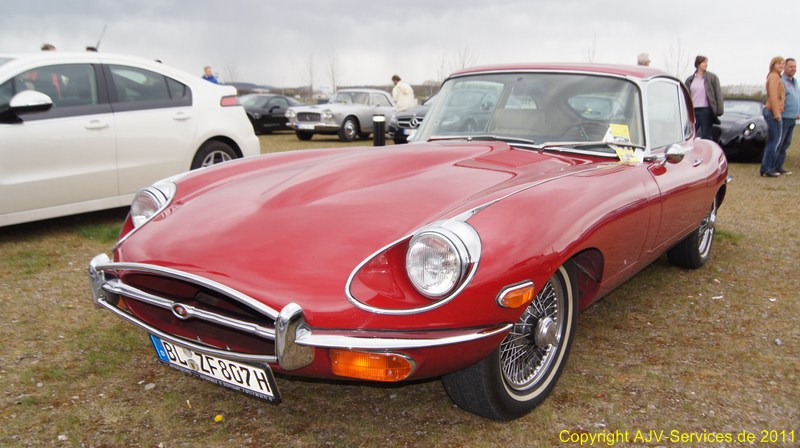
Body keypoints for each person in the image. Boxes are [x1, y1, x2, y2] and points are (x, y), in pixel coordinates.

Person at [684, 55, 724, 140]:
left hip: (706, 110)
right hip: (693, 111)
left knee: (706, 135)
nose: (706, 64)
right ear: (698, 64)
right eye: (704, 62)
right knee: (688, 134)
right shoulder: (690, 80)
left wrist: (719, 110)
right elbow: (685, 95)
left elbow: (718, 94)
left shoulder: (712, 78)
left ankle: (708, 148)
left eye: (707, 62)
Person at [760, 56, 786, 177]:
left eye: (783, 64)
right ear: (773, 65)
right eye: (779, 63)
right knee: (775, 141)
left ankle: (766, 167)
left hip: (772, 110)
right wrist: (776, 113)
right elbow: (773, 96)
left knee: (773, 140)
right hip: (772, 111)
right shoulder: (774, 77)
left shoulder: (775, 76)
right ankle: (767, 168)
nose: (781, 66)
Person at [774, 58, 799, 175]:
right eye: (791, 66)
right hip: (783, 117)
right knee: (778, 143)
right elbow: (776, 98)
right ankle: (771, 166)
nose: (793, 69)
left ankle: (779, 166)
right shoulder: (781, 81)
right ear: (784, 67)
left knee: (786, 144)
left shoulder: (795, 82)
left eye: (795, 66)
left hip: (792, 118)